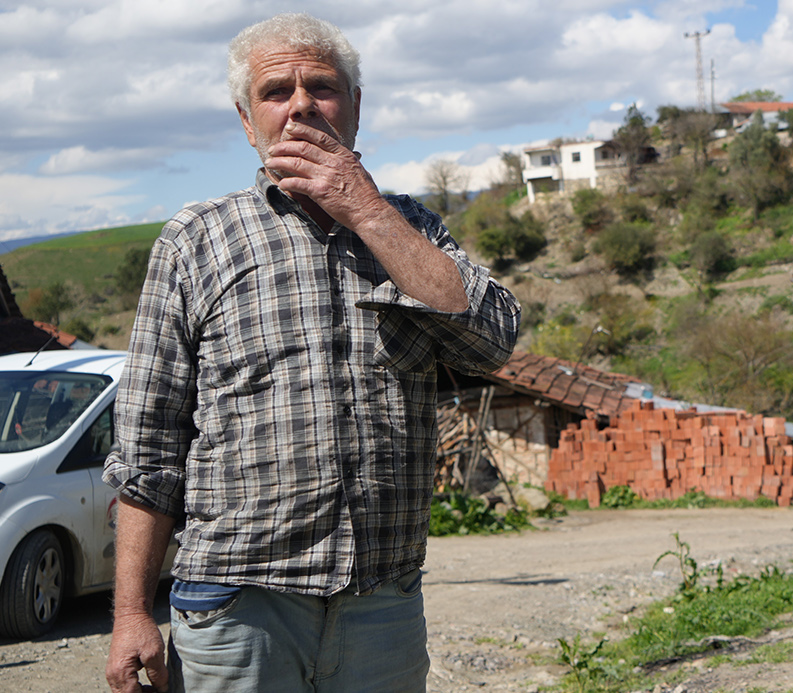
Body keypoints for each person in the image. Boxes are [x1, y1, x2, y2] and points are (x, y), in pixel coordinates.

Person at [103, 13, 519, 693]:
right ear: (247, 121)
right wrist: (129, 614)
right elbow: (147, 449)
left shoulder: (412, 228)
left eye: (322, 86)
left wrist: (367, 210)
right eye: (276, 92)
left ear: (354, 108)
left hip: (380, 603)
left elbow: (493, 341)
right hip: (238, 603)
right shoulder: (195, 241)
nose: (300, 104)